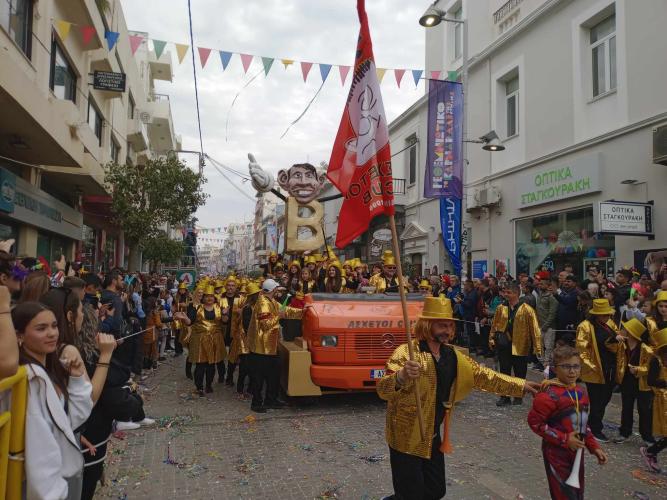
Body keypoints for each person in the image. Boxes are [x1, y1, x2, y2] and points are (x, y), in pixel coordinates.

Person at [377, 296, 539, 499]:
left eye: (450, 326)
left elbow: (484, 376)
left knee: (436, 490)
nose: (447, 330)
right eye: (441, 326)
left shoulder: (452, 356)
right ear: (427, 325)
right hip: (405, 437)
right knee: (411, 494)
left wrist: (521, 385)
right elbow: (383, 390)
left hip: (432, 435)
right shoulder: (406, 353)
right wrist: (401, 376)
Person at [13, 302, 93, 500]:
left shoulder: (48, 370)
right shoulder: (30, 377)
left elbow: (68, 421)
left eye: (54, 326)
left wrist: (76, 379)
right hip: (39, 486)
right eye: (41, 328)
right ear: (19, 335)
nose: (51, 333)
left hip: (60, 479)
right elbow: (39, 446)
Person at [527, 345, 608, 499]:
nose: (572, 371)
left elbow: (584, 424)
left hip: (577, 452)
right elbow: (535, 424)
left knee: (577, 493)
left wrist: (594, 447)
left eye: (576, 366)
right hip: (556, 453)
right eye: (566, 366)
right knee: (563, 493)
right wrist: (564, 439)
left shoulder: (581, 393)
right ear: (555, 369)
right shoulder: (547, 395)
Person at [245, 279, 304, 413]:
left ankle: (271, 400)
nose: (278, 291)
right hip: (261, 348)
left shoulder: (271, 300)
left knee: (274, 374)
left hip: (270, 346)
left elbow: (285, 310)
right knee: (259, 377)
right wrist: (279, 316)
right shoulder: (263, 303)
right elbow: (266, 324)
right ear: (273, 290)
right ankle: (256, 403)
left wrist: (303, 312)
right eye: (277, 289)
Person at [576, 298, 623, 442]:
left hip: (609, 368)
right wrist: (592, 367)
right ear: (596, 314)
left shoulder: (610, 324)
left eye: (608, 314)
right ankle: (595, 428)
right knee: (597, 400)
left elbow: (616, 341)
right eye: (603, 314)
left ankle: (592, 424)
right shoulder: (585, 326)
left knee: (605, 399)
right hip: (595, 370)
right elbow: (582, 349)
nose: (606, 317)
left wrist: (616, 340)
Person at [490, 281, 542, 406]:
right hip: (504, 345)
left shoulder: (527, 309)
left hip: (521, 345)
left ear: (516, 294)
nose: (506, 295)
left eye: (509, 292)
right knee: (504, 371)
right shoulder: (501, 308)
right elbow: (494, 324)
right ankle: (504, 396)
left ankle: (518, 395)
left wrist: (537, 347)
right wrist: (491, 338)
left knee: (520, 372)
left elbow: (535, 329)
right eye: (505, 292)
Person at [177, 285, 226, 396]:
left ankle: (208, 385)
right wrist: (185, 318)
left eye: (211, 296)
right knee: (200, 365)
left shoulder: (219, 307)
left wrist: (224, 313)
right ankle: (199, 387)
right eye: (207, 296)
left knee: (211, 365)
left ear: (214, 297)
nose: (209, 298)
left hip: (215, 340)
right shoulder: (196, 307)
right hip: (200, 340)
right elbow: (190, 322)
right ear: (203, 297)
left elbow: (224, 322)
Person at [614, 318, 655, 445]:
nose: (621, 330)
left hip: (642, 383)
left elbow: (651, 368)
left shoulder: (646, 349)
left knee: (644, 410)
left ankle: (647, 436)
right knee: (626, 407)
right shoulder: (622, 345)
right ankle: (624, 432)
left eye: (624, 329)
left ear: (631, 333)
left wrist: (637, 370)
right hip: (627, 381)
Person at [641, 327, 667, 472]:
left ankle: (651, 451)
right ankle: (650, 451)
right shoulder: (656, 361)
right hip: (662, 400)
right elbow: (651, 381)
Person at [230, 282, 260, 398]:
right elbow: (247, 326)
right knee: (245, 365)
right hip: (246, 340)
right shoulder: (247, 308)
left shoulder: (258, 307)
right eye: (257, 294)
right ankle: (240, 388)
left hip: (253, 340)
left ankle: (249, 389)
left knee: (252, 366)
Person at [220, 277, 241, 385]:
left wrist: (241, 312)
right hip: (221, 330)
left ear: (236, 287)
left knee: (233, 356)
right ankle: (221, 374)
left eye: (233, 286)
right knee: (220, 354)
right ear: (225, 286)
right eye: (228, 285)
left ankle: (229, 377)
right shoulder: (219, 298)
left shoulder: (241, 299)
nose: (230, 287)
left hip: (235, 331)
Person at [536, 275, 558, 371]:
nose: (540, 285)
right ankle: (543, 365)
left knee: (548, 347)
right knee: (539, 347)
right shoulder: (539, 295)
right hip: (539, 326)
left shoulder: (551, 297)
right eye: (539, 284)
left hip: (549, 327)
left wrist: (546, 325)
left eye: (542, 284)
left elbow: (552, 313)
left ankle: (548, 368)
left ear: (548, 285)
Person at [555, 274, 579, 341]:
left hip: (570, 325)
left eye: (568, 281)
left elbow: (567, 302)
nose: (566, 283)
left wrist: (555, 295)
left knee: (568, 343)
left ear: (574, 283)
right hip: (560, 324)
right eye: (565, 281)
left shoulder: (576, 293)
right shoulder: (562, 292)